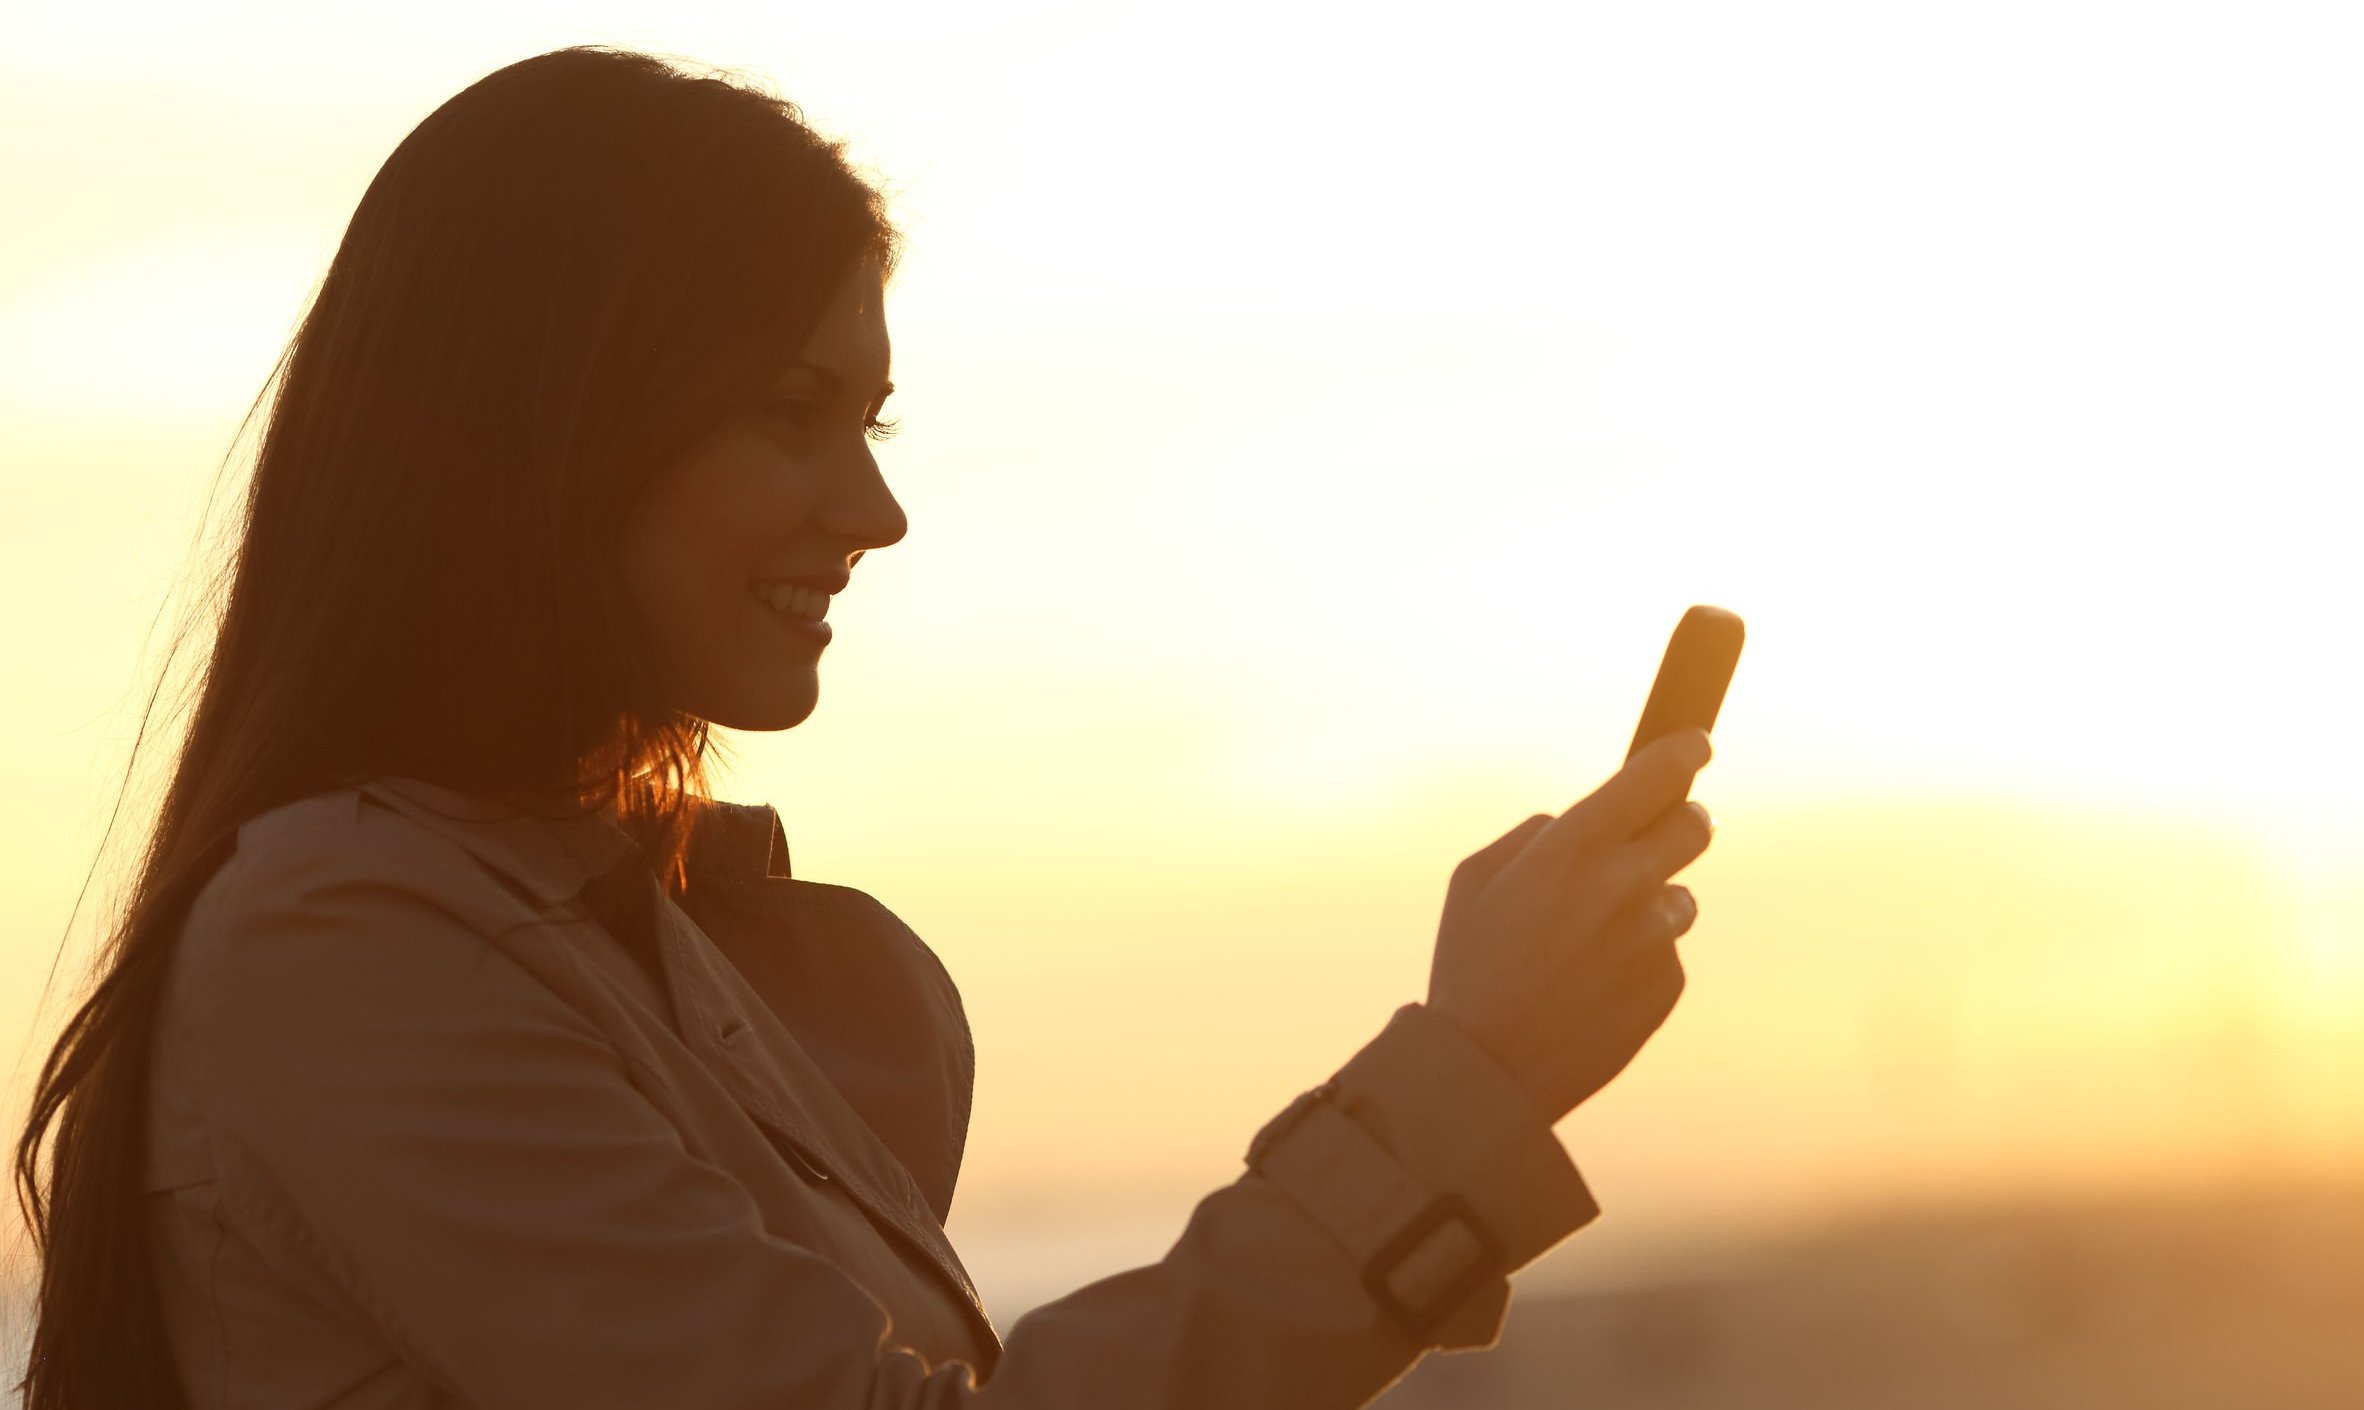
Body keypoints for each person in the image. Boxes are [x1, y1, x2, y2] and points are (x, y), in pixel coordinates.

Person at [9, 43, 1717, 1409]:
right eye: (793, 412)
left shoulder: (634, 942)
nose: (875, 508)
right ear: (563, 432)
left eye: (872, 415)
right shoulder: (349, 943)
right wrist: (1466, 1079)